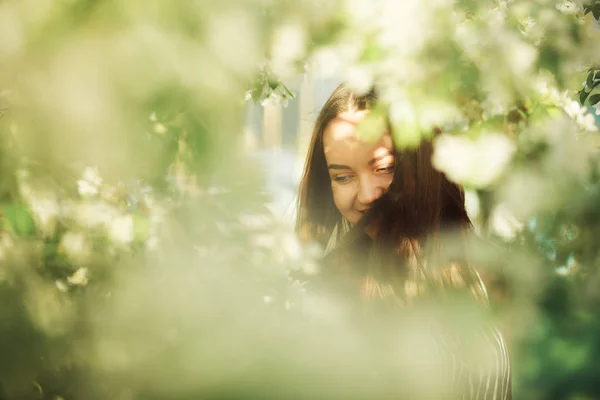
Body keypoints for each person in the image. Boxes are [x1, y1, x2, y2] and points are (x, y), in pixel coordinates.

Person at [295, 83, 511, 399]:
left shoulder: (486, 273)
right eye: (343, 177)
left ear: (421, 165)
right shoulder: (328, 291)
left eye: (384, 168)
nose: (367, 195)